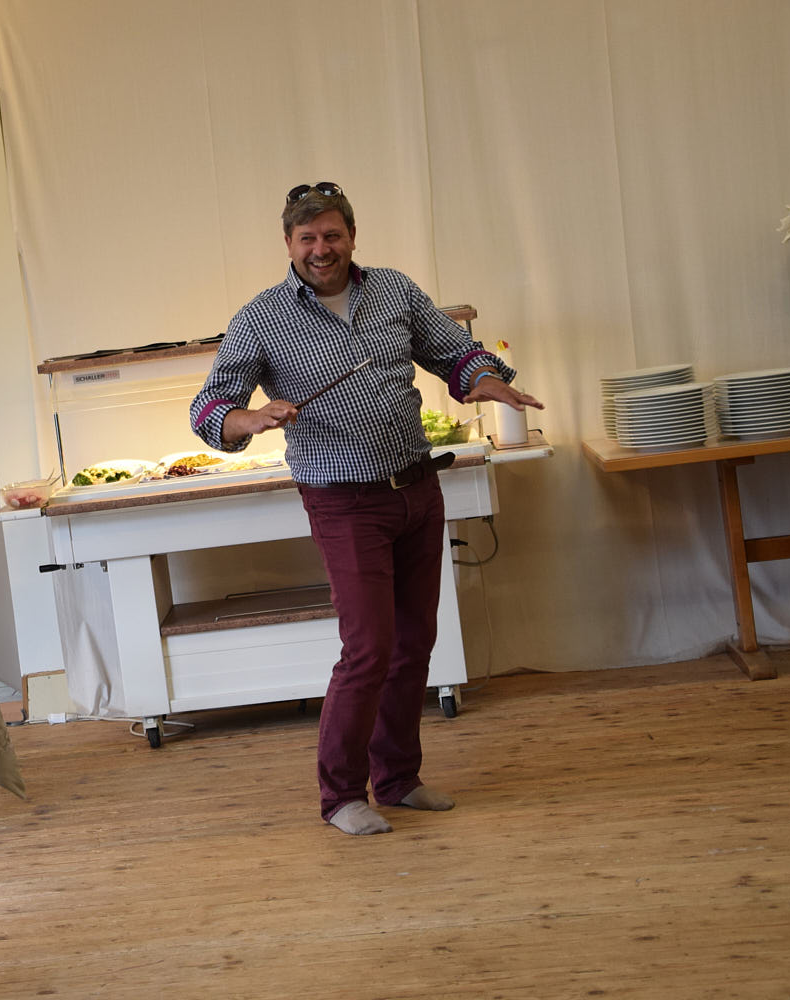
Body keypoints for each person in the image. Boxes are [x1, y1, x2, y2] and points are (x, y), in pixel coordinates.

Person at [189, 182, 543, 836]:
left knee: (414, 643)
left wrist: (486, 379)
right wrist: (250, 418)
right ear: (289, 244)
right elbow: (208, 409)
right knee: (368, 649)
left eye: (332, 234)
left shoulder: (394, 290)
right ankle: (341, 796)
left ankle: (399, 779)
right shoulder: (261, 317)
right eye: (307, 238)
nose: (321, 249)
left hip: (418, 490)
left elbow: (454, 352)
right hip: (344, 503)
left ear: (351, 236)